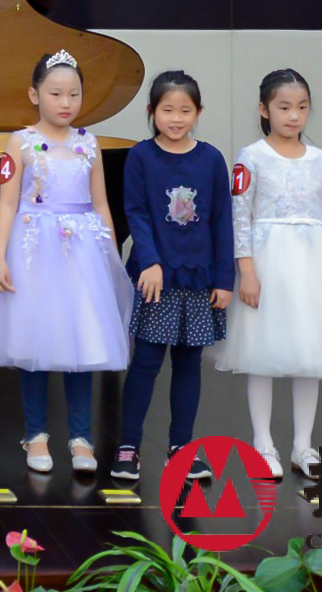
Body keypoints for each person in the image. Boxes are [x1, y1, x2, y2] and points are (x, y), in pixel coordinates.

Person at [0, 51, 134, 477]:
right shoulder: (20, 142)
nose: (66, 102)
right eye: (56, 93)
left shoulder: (89, 143)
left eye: (74, 94)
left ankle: (81, 436)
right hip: (34, 248)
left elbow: (101, 203)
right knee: (35, 339)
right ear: (34, 95)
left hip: (82, 250)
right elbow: (8, 204)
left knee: (83, 339)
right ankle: (36, 433)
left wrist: (110, 254)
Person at [216, 68, 322, 479]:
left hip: (314, 264)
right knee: (261, 352)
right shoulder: (251, 157)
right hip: (269, 262)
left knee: (309, 353)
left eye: (302, 107)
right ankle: (262, 442)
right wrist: (246, 270)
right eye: (284, 107)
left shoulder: (321, 160)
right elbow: (239, 217)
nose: (294, 116)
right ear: (264, 109)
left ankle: (303, 444)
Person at [109, 71, 234, 488]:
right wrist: (149, 261)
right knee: (145, 362)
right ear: (152, 112)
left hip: (199, 278)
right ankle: (128, 447)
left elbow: (221, 221)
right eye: (167, 110)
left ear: (198, 113)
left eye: (185, 110)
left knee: (188, 364)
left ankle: (182, 448)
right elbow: (136, 212)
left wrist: (224, 279)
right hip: (156, 277)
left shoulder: (211, 159)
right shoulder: (141, 156)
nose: (176, 118)